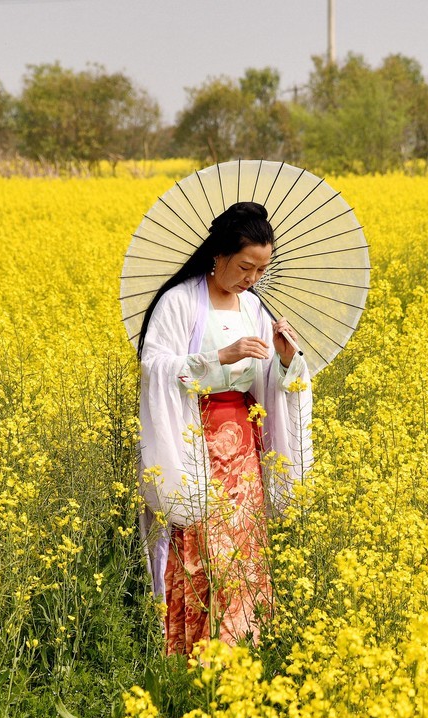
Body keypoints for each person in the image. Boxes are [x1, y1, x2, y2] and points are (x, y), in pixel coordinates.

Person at [134, 201, 313, 656]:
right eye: (245, 267)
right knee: (203, 553)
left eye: (260, 269)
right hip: (195, 445)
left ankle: (241, 658)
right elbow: (155, 369)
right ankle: (195, 658)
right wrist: (219, 357)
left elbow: (266, 382)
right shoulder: (178, 303)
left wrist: (287, 359)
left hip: (244, 451)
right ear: (218, 253)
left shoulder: (254, 307)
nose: (252, 279)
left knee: (241, 554)